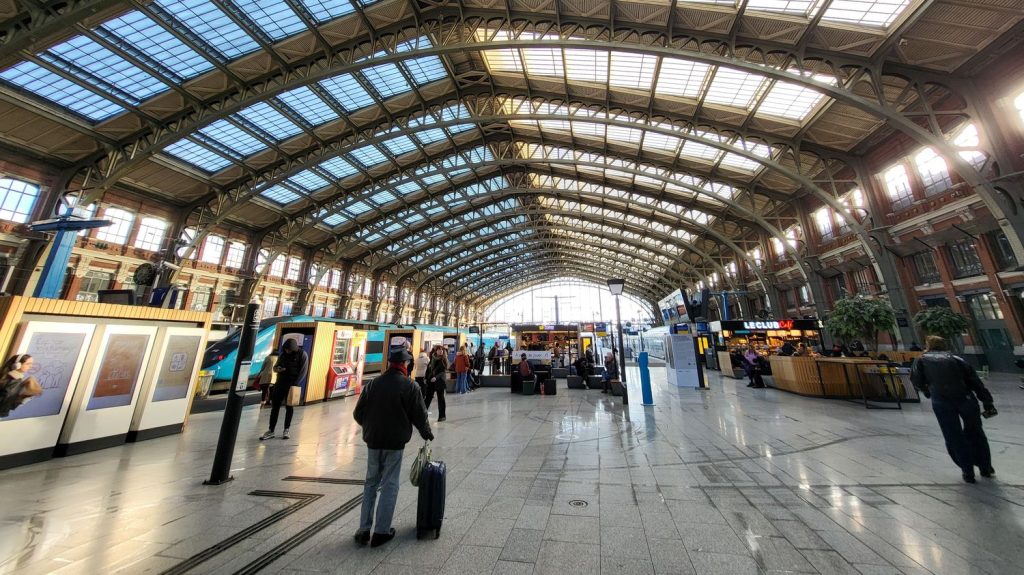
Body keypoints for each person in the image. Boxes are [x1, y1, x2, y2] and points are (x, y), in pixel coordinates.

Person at [353, 348, 433, 548]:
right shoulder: (410, 386)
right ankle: (381, 531)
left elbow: (358, 413)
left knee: (371, 483)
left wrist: (371, 427)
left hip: (373, 441)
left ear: (390, 364)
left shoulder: (373, 384)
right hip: (395, 443)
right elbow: (419, 414)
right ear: (405, 364)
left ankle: (364, 530)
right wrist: (426, 433)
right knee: (390, 483)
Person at [910, 336, 996, 483]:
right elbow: (975, 381)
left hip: (941, 401)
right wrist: (987, 401)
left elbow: (916, 380)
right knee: (976, 432)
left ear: (928, 345)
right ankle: (985, 467)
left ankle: (967, 471)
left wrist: (927, 391)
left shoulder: (921, 360)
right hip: (966, 399)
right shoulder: (957, 359)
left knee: (953, 435)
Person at [260, 339, 308, 440]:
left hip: (292, 385)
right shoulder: (282, 355)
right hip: (280, 383)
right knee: (275, 407)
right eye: (286, 349)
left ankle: (286, 429)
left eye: (289, 350)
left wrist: (295, 384)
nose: (287, 351)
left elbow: (303, 371)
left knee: (289, 407)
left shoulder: (302, 354)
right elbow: (275, 367)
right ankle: (271, 430)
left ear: (294, 349)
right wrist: (278, 369)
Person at [424, 345, 448, 422]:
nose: (441, 351)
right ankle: (422, 414)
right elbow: (428, 369)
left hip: (440, 381)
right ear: (436, 351)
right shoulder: (432, 359)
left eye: (442, 350)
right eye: (439, 350)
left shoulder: (443, 359)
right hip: (431, 380)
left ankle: (442, 416)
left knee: (441, 398)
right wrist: (425, 377)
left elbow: (443, 371)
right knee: (428, 397)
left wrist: (436, 377)